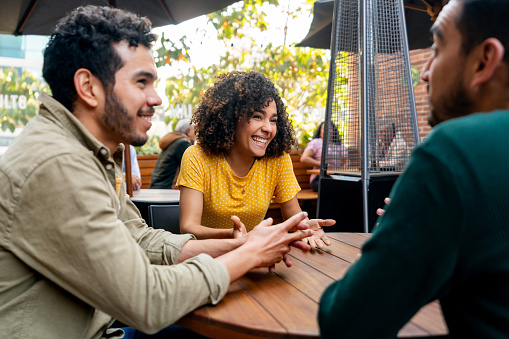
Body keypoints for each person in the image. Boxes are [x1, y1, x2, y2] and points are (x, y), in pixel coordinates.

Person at [0, 6, 315, 338]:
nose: (157, 98)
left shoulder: (85, 154)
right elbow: (148, 301)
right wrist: (249, 255)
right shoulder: (56, 165)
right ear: (88, 87)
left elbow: (142, 239)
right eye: (141, 82)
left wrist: (245, 244)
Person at [319, 0, 509, 338]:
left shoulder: (454, 152)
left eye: (437, 48)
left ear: (483, 61)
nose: (424, 72)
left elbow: (346, 321)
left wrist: (395, 233)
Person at [177, 71, 335, 249]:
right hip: (205, 258)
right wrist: (234, 236)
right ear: (230, 119)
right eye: (257, 116)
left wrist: (305, 227)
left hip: (252, 256)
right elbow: (188, 228)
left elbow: (293, 215)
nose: (268, 128)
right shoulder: (197, 156)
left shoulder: (278, 159)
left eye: (273, 120)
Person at [300, 121, 348, 192]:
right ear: (320, 131)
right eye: (323, 128)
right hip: (319, 178)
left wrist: (343, 170)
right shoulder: (316, 142)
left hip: (337, 176)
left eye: (330, 128)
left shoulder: (339, 146)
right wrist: (323, 165)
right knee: (333, 186)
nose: (327, 130)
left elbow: (346, 161)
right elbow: (304, 158)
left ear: (333, 131)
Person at [150, 118, 195, 189]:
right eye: (194, 131)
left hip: (157, 186)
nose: (195, 134)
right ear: (188, 131)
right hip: (168, 189)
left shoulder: (173, 140)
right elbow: (191, 169)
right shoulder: (183, 143)